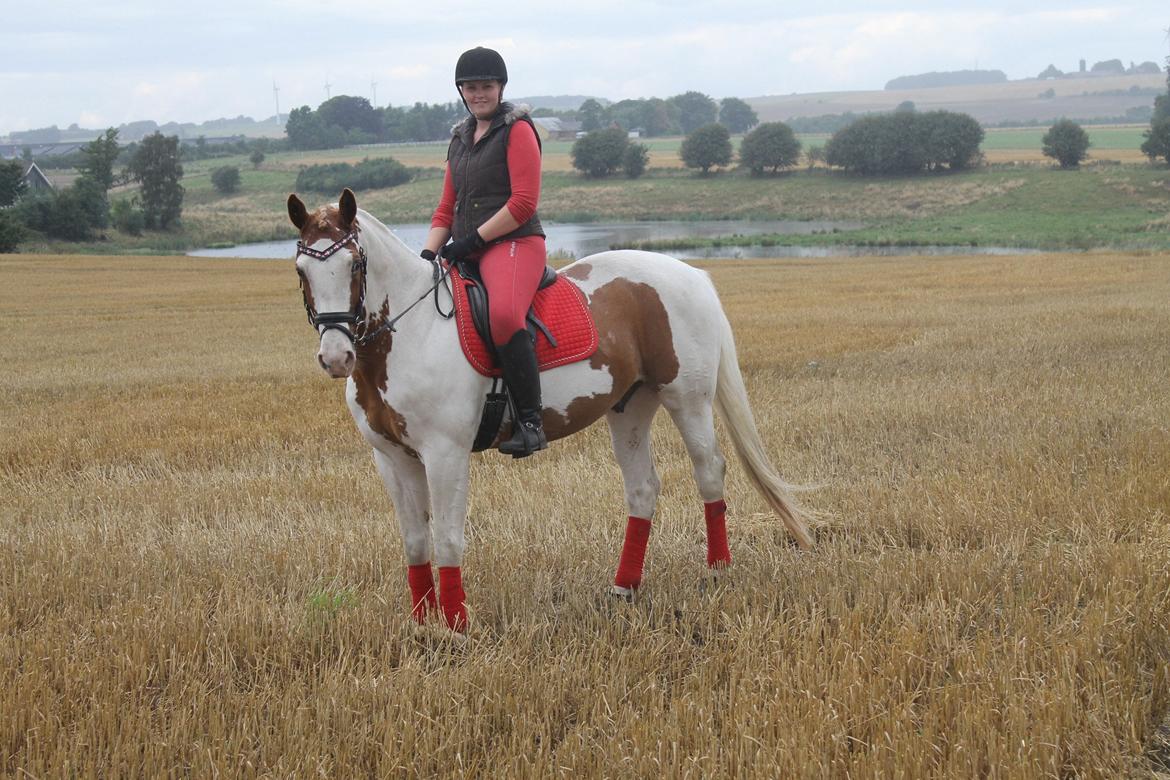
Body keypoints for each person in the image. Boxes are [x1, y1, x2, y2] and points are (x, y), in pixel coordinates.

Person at [422, 46, 549, 458]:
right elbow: (445, 208)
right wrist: (428, 256)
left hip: (515, 243)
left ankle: (530, 420)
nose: (479, 94)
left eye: (486, 86)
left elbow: (523, 203)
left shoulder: (518, 130)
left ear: (501, 88)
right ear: (461, 91)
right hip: (465, 247)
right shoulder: (459, 138)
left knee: (504, 315)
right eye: (471, 87)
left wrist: (473, 240)